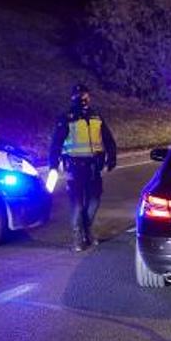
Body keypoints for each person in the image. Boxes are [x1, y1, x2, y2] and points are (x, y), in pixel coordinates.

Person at [48, 84, 117, 251]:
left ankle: (87, 230)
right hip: (74, 167)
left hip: (94, 167)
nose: (84, 99)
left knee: (94, 201)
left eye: (86, 95)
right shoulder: (66, 118)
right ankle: (78, 237)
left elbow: (108, 139)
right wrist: (53, 166)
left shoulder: (96, 117)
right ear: (73, 98)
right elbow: (55, 144)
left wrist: (112, 158)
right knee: (77, 204)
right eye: (80, 96)